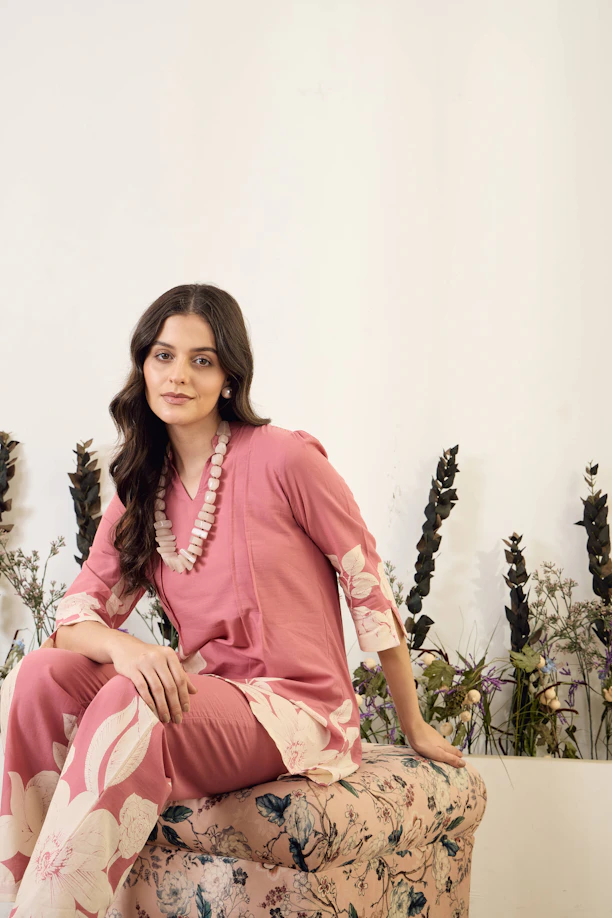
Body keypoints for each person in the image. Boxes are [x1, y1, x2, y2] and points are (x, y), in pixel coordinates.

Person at [0, 283, 465, 917]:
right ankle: (15, 898)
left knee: (133, 696)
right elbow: (75, 616)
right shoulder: (142, 487)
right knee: (38, 676)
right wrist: (125, 647)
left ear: (229, 376)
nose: (178, 375)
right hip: (210, 696)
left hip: (298, 706)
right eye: (163, 356)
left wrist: (411, 724)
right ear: (142, 366)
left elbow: (367, 583)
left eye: (202, 360)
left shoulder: (285, 458)